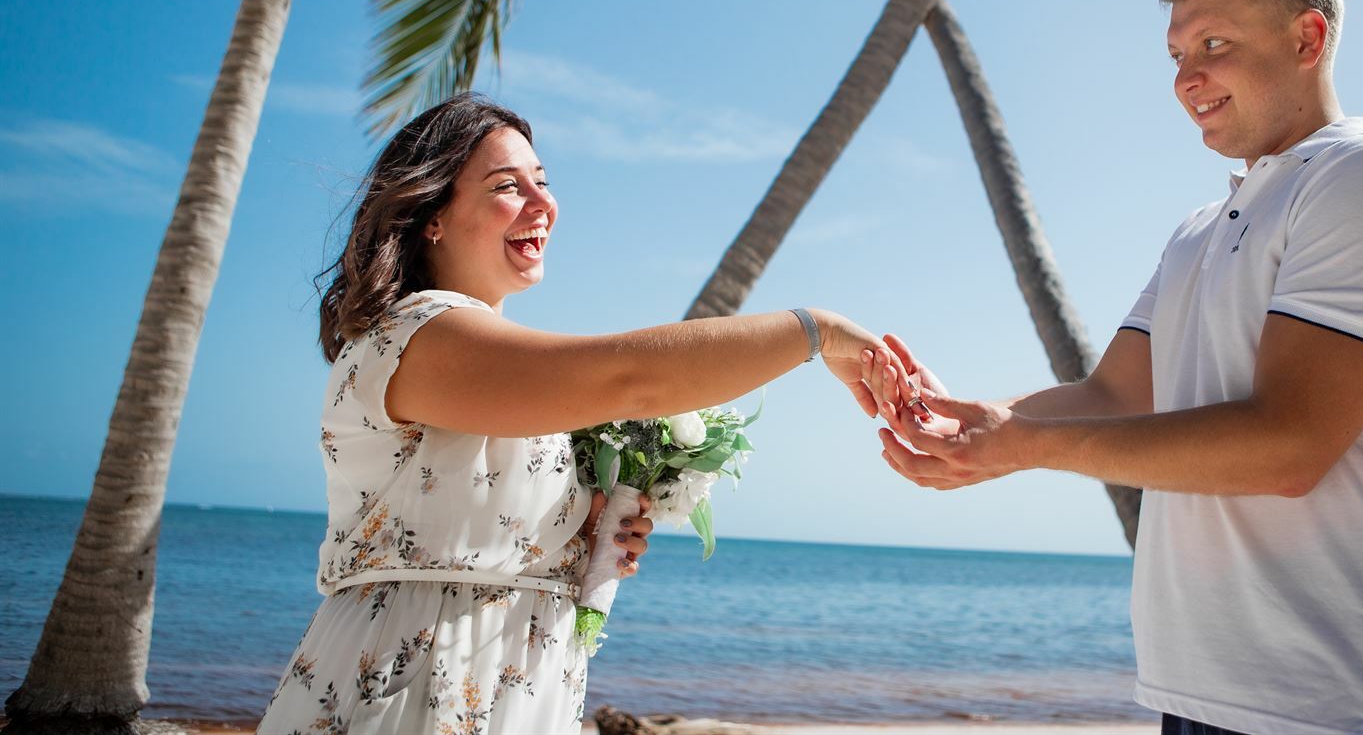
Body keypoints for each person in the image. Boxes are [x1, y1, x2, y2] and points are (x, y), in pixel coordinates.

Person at [873, 0, 1363, 735]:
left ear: (1308, 38)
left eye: (1214, 44)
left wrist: (1024, 445)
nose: (1186, 78)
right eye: (1175, 54)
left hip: (1350, 704)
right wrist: (965, 418)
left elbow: (1288, 445)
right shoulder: (1201, 228)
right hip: (1198, 696)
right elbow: (1114, 394)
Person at [258, 93, 896, 734]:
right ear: (432, 217)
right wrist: (821, 332)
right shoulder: (415, 336)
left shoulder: (502, 376)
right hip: (414, 683)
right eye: (508, 186)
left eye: (543, 182)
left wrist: (573, 535)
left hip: (522, 685)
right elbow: (632, 378)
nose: (544, 206)